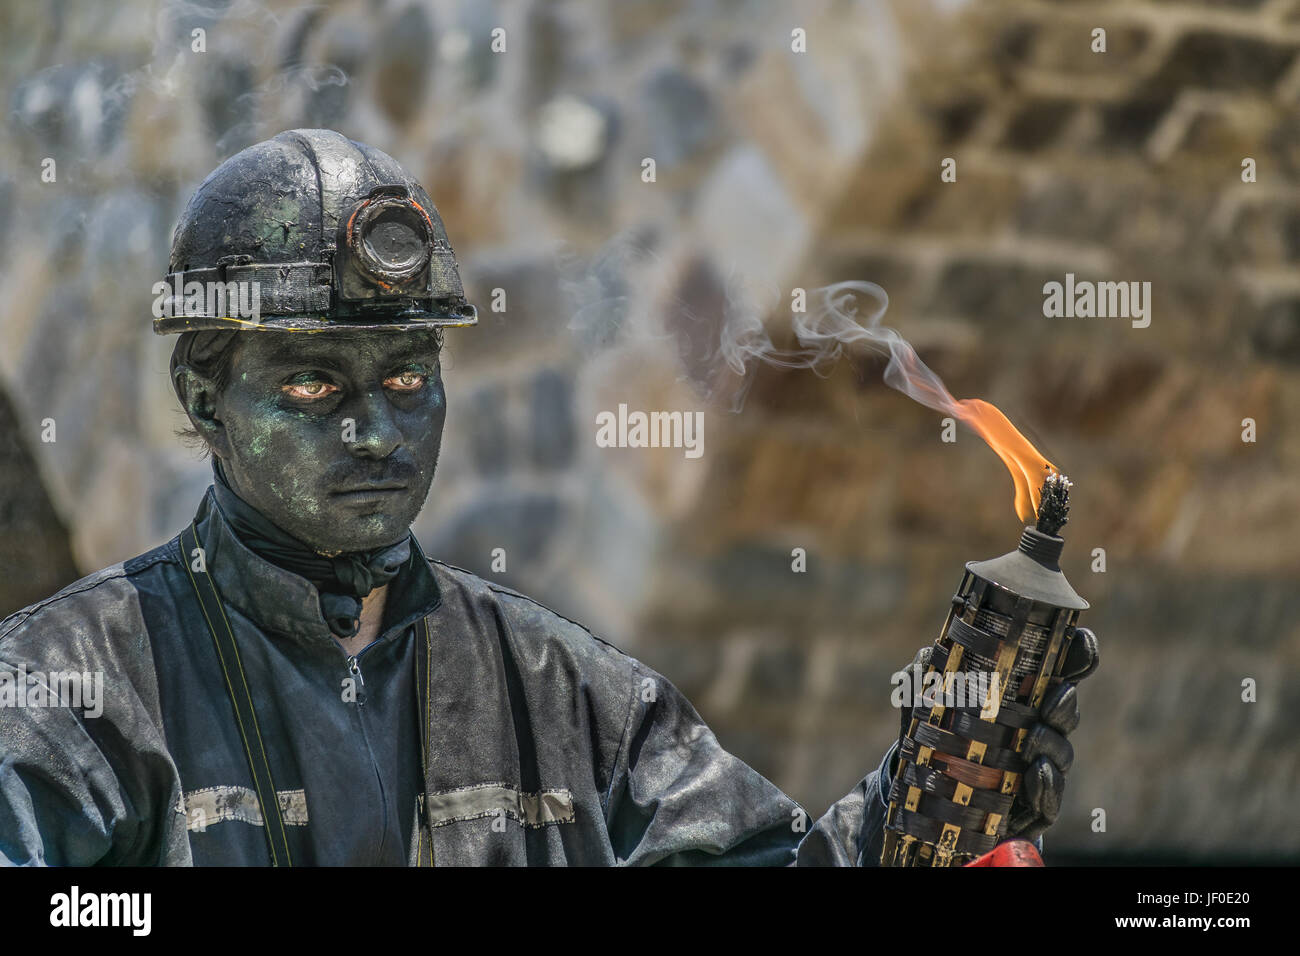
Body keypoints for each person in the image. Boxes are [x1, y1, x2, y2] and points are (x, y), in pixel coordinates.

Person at [0, 129, 1095, 866]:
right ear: (205, 394)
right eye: (310, 381)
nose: (376, 427)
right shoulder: (62, 698)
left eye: (407, 378)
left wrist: (928, 803)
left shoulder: (572, 697)